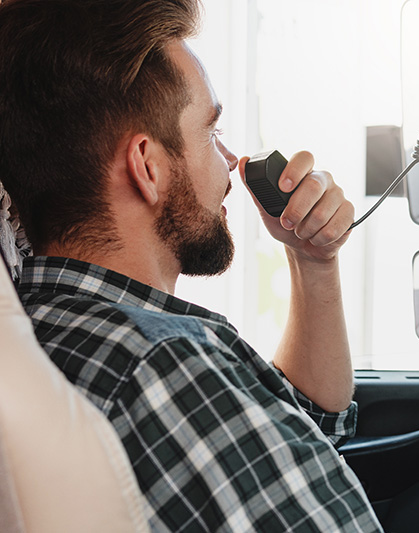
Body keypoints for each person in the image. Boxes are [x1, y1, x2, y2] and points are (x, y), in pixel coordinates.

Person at [0, 0, 382, 531]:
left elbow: (304, 425)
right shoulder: (166, 367)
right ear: (147, 167)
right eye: (209, 130)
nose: (229, 161)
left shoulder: (41, 333)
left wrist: (313, 260)